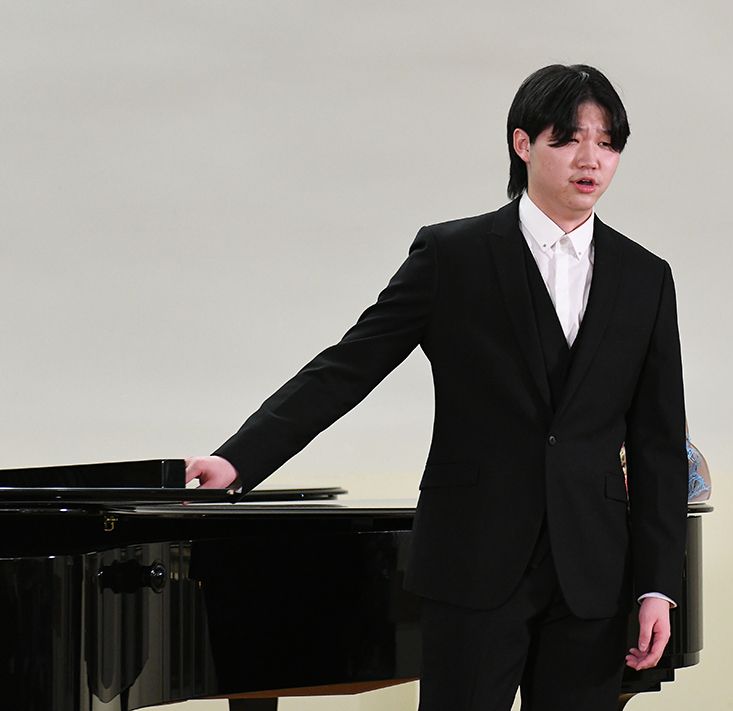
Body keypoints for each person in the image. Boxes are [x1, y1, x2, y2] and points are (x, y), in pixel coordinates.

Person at [186, 63, 688, 711]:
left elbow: (657, 441)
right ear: (522, 143)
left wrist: (657, 585)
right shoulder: (454, 256)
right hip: (472, 561)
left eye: (607, 142)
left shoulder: (646, 277)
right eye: (567, 139)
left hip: (594, 573)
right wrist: (239, 459)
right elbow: (350, 365)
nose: (590, 159)